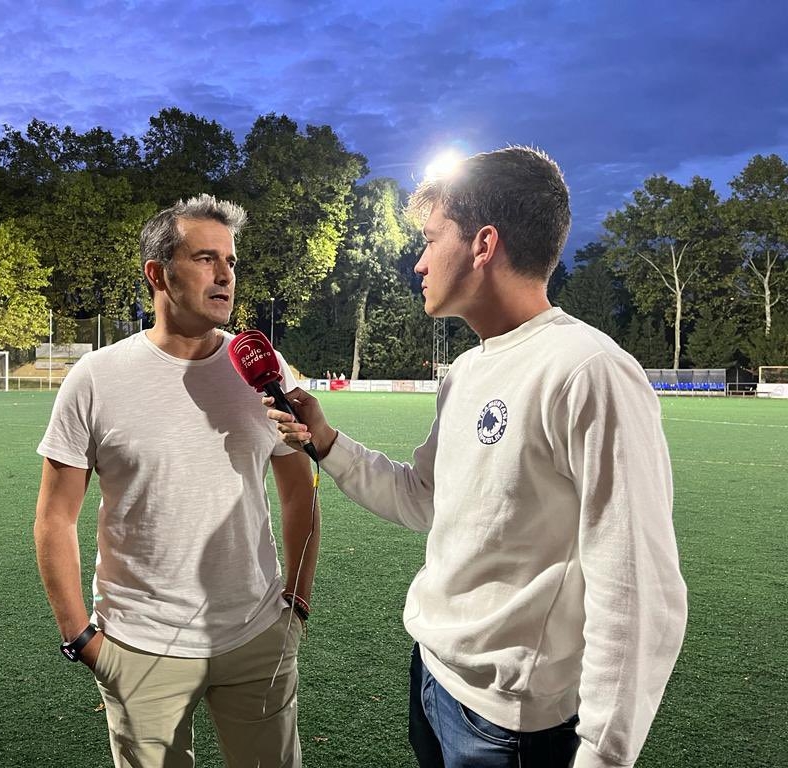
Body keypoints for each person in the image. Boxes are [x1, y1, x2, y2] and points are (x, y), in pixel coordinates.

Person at [267, 147, 687, 768]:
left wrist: (604, 754)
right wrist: (326, 442)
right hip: (433, 678)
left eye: (432, 239)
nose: (419, 262)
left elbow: (638, 589)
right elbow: (422, 499)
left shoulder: (588, 372)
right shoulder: (466, 370)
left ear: (483, 244)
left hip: (511, 724)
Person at [34, 193, 320, 768]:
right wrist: (82, 638)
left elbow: (299, 492)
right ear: (157, 274)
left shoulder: (265, 370)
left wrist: (297, 605)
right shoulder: (95, 378)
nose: (225, 275)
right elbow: (54, 517)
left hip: (257, 634)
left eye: (231, 261)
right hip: (140, 645)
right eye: (205, 258)